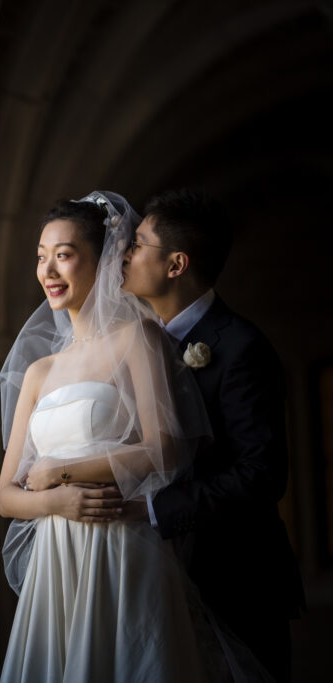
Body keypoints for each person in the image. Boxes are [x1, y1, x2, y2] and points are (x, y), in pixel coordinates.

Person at [0, 192, 221, 682]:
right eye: (41, 256)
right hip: (56, 561)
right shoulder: (38, 371)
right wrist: (57, 502)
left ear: (102, 259)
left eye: (64, 255)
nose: (48, 271)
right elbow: (5, 496)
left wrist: (61, 472)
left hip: (120, 545)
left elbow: (165, 447)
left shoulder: (138, 338)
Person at [121, 189, 305, 681]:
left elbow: (260, 475)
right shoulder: (133, 343)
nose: (125, 255)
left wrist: (154, 511)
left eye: (138, 244)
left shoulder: (241, 347)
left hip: (235, 580)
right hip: (151, 583)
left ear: (176, 264)